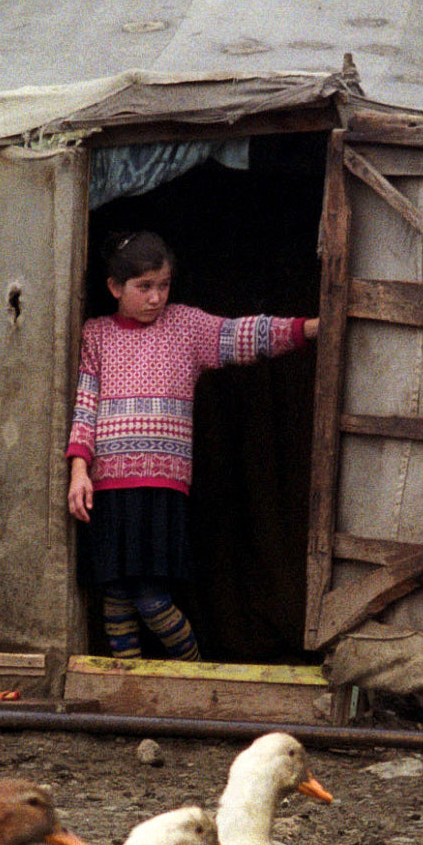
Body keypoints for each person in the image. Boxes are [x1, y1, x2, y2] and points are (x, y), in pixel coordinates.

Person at [65, 230, 317, 661]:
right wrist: (78, 471)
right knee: (116, 598)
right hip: (108, 490)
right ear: (114, 287)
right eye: (144, 287)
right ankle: (130, 690)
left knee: (152, 599)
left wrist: (307, 328)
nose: (155, 297)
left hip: (161, 489)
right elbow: (85, 407)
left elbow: (242, 335)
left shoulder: (185, 327)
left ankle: (193, 674)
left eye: (163, 285)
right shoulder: (96, 335)